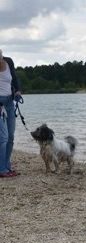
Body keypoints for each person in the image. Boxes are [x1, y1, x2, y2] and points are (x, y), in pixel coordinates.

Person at [0, 49, 22, 178]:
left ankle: (7, 166)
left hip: (9, 102)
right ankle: (1, 169)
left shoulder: (8, 61)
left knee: (11, 136)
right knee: (3, 137)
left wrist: (18, 91)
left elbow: (14, 78)